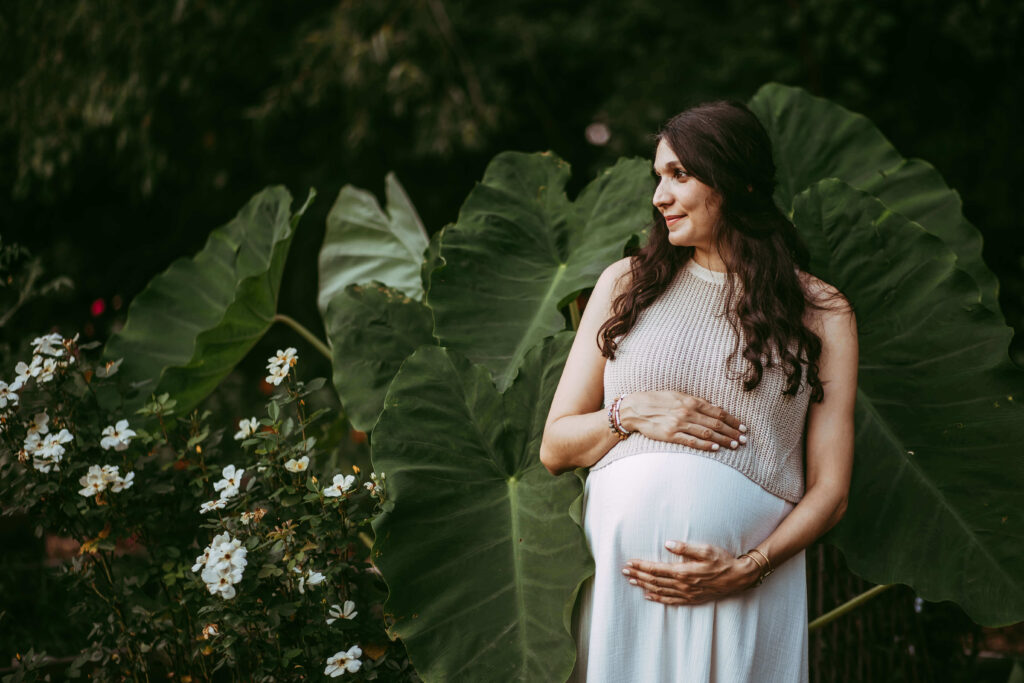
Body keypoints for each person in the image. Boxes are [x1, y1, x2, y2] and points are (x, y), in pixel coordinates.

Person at [539, 100, 858, 682]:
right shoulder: (626, 283)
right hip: (623, 586)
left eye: (679, 175)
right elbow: (555, 447)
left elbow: (831, 490)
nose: (660, 197)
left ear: (736, 182)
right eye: (658, 177)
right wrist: (629, 413)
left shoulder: (819, 310)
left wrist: (750, 567)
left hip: (739, 586)